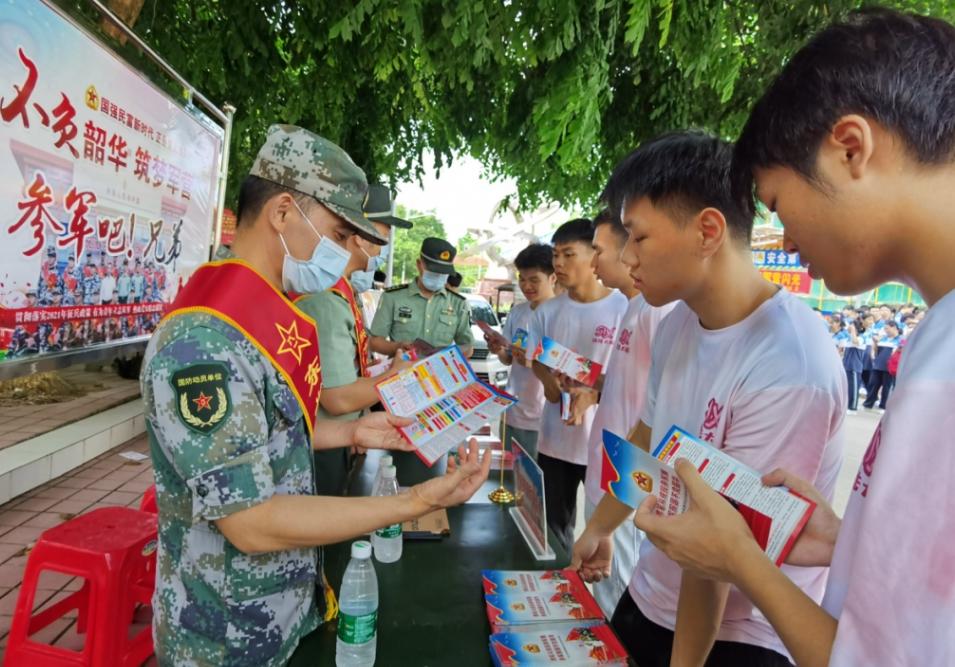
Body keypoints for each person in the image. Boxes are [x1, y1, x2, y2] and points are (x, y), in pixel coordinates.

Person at [627, 10, 955, 667]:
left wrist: (738, 558)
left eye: (776, 204)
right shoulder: (933, 335)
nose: (784, 240)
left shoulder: (932, 366)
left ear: (850, 148)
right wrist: (849, 541)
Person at [141, 125, 492, 666]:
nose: (352, 255)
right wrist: (416, 502)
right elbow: (251, 521)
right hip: (223, 637)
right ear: (282, 213)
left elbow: (263, 434)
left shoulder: (255, 315)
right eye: (338, 233)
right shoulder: (203, 342)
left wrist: (349, 431)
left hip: (279, 613)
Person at [572, 132, 845, 667]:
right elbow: (649, 438)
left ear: (708, 231)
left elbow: (722, 550)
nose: (627, 258)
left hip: (738, 635)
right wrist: (600, 527)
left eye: (639, 238)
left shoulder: (789, 366)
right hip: (655, 592)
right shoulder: (676, 323)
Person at [577, 209, 674, 616]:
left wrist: (615, 514)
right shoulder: (633, 307)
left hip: (629, 484)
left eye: (598, 250)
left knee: (618, 598)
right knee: (603, 595)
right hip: (610, 476)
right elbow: (632, 392)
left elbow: (656, 421)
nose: (593, 260)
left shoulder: (657, 312)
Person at [295, 185, 413, 496]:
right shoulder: (325, 298)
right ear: (360, 235)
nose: (384, 246)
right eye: (383, 236)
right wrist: (393, 374)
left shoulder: (343, 290)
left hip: (342, 436)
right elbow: (338, 399)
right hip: (324, 443)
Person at [529, 218, 628, 552]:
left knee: (604, 534)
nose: (558, 263)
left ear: (594, 256)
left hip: (603, 443)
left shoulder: (624, 308)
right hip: (554, 441)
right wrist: (549, 384)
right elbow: (537, 361)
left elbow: (631, 380)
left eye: (569, 254)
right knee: (553, 528)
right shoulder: (548, 312)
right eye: (556, 254)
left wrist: (594, 393)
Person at [488, 242, 557, 459]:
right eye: (522, 279)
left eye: (534, 280)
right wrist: (499, 349)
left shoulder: (560, 315)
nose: (526, 286)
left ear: (553, 277)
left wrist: (532, 361)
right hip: (512, 411)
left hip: (542, 418)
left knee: (536, 487)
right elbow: (509, 359)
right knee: (509, 481)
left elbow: (567, 366)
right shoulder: (518, 312)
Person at [369, 237, 474, 357]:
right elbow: (374, 342)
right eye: (434, 271)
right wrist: (398, 347)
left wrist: (444, 355)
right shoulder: (393, 297)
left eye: (443, 272)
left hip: (439, 373)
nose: (439, 276)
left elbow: (468, 348)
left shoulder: (458, 303)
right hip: (401, 372)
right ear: (419, 265)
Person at [862, 319, 900, 411]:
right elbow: (876, 350)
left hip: (890, 367)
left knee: (887, 387)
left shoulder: (901, 339)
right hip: (878, 365)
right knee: (873, 384)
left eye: (887, 328)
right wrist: (875, 342)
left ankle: (883, 406)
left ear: (894, 327)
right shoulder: (883, 338)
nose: (886, 330)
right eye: (884, 329)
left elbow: (902, 350)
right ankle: (868, 404)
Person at [842, 317, 867, 413]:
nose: (849, 327)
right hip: (847, 365)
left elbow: (855, 341)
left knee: (853, 387)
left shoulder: (861, 337)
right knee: (847, 387)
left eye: (851, 326)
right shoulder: (848, 337)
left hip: (854, 366)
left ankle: (853, 407)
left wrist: (853, 331)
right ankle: (847, 405)